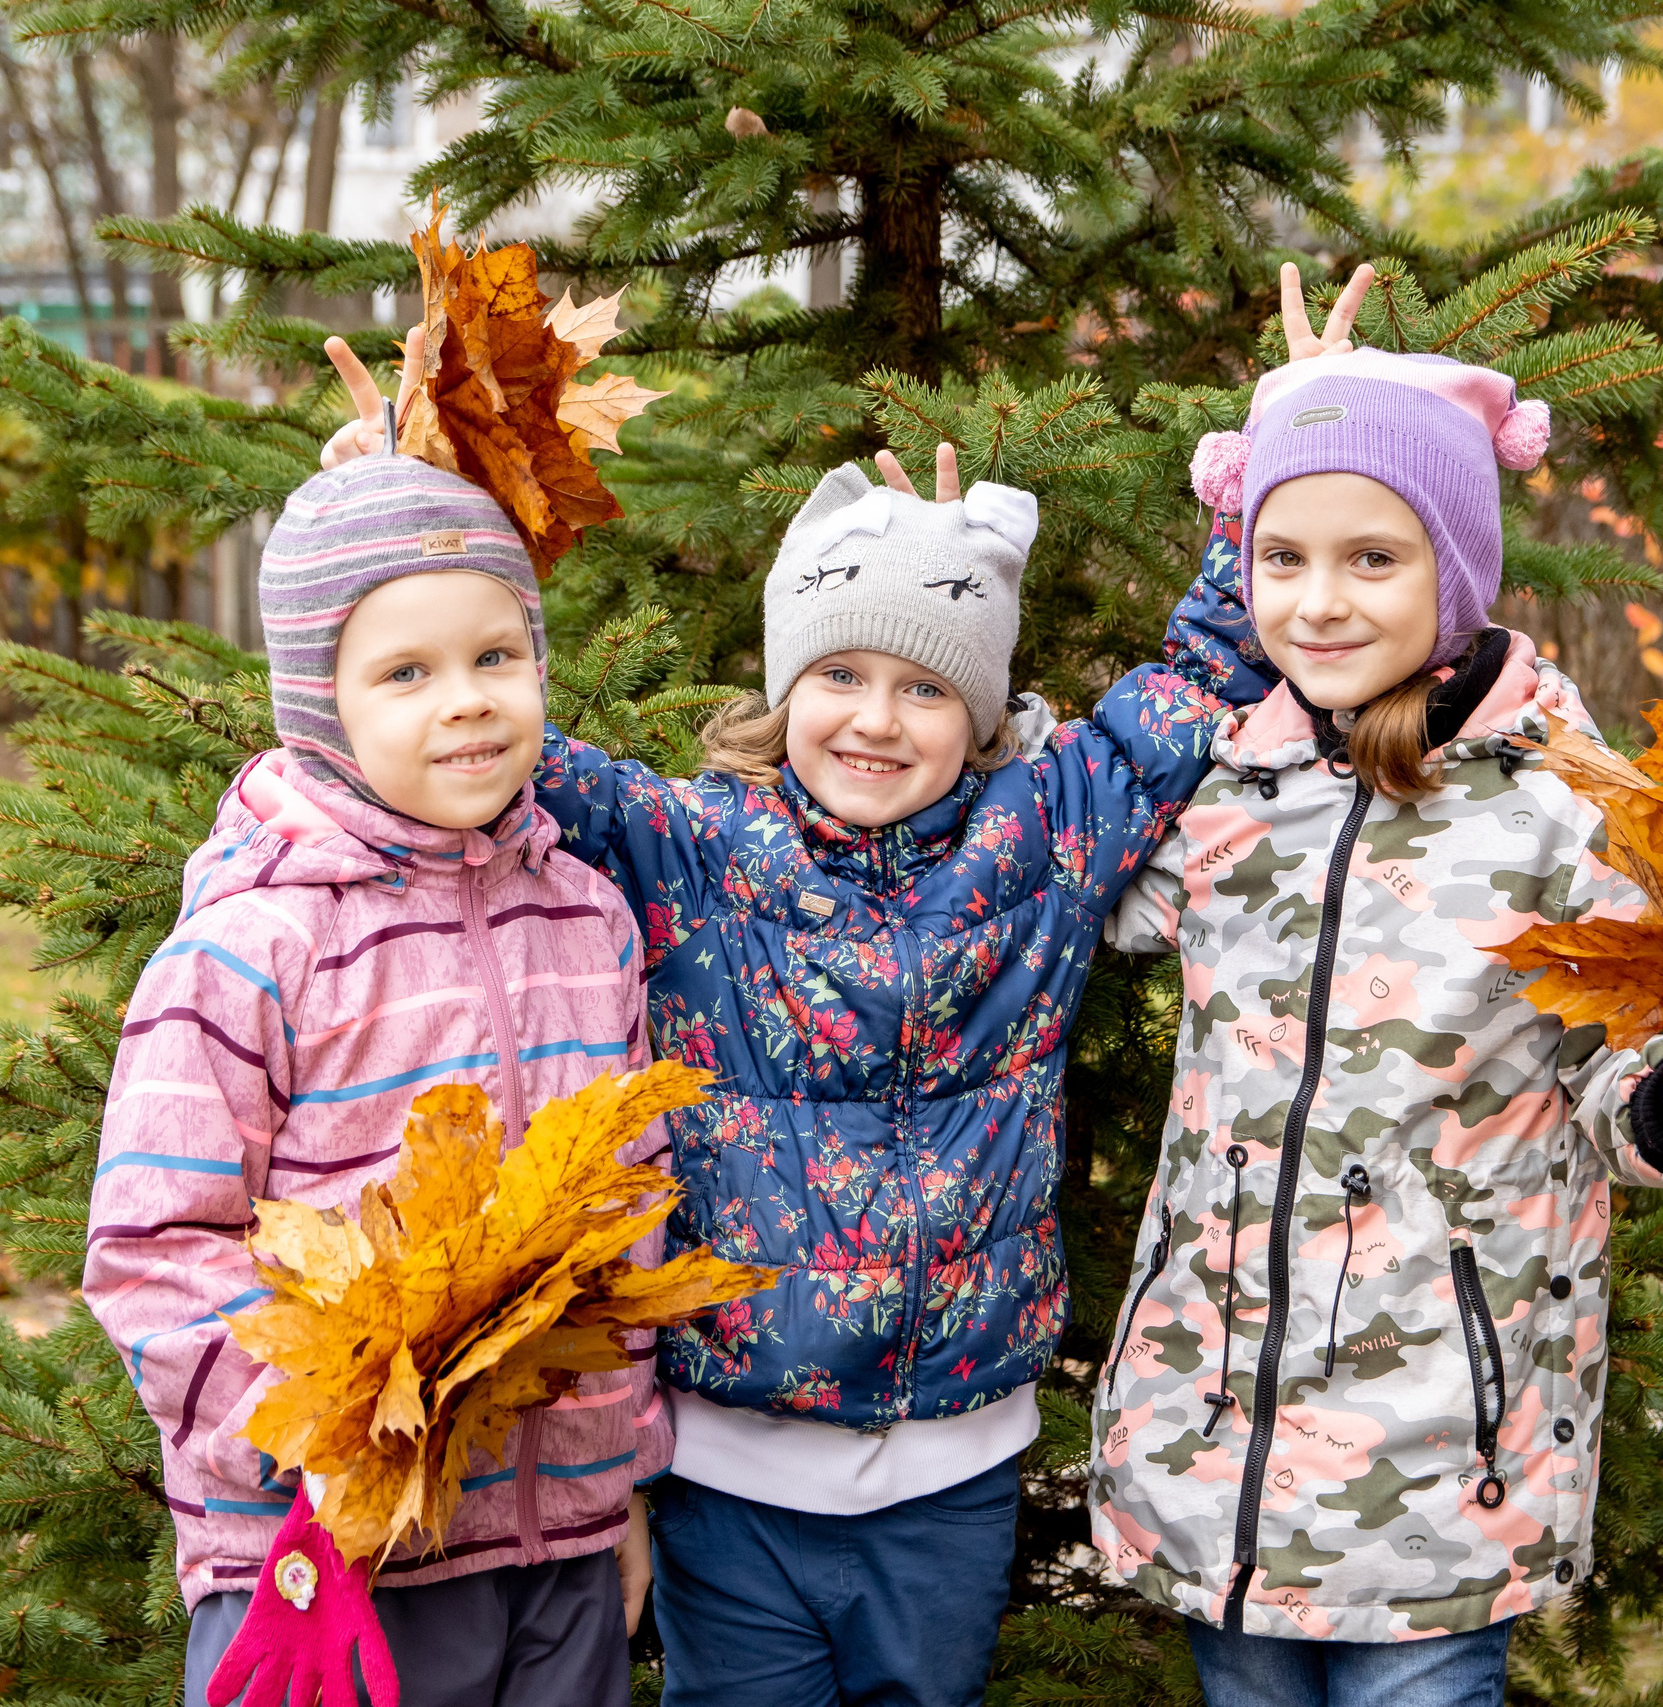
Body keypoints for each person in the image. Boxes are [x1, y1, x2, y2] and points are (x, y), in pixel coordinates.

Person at [309, 266, 1357, 1707]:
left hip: (956, 1467)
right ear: (783, 684)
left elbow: (1192, 680)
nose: (876, 718)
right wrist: (396, 516)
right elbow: (476, 727)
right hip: (735, 1475)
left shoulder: (1041, 835)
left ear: (980, 713)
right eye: (841, 675)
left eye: (927, 689)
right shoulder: (684, 843)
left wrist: (1291, 447)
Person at [1089, 347, 1663, 1707]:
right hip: (1219, 1434)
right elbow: (1064, 872)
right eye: (1278, 556)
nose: (1319, 601)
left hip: (1441, 1453)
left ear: (1454, 570)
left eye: (1372, 559)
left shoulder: (1561, 811)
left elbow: (1610, 1081)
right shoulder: (1228, 784)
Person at [84, 442, 667, 1707]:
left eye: (495, 656)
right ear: (317, 702)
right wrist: (317, 1436)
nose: (465, 700)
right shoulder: (252, 946)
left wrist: (617, 1486)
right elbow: (152, 1245)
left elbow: (625, 1217)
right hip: (329, 1561)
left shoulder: (587, 917)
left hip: (554, 1545)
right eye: (405, 672)